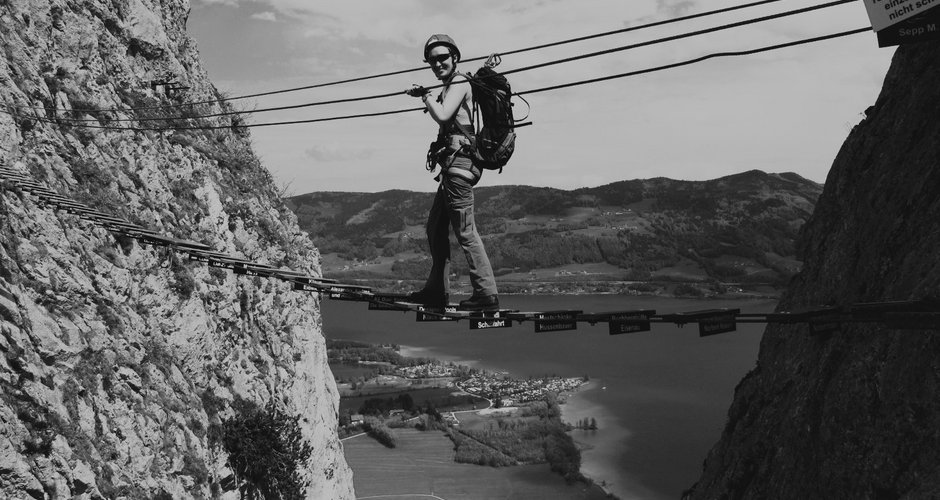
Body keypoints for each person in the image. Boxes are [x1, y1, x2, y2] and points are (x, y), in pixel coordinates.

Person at [405, 34, 499, 311]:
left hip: (460, 167)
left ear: (455, 58)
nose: (437, 64)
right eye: (432, 60)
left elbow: (444, 115)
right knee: (435, 228)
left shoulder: (459, 82)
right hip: (452, 169)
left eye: (442, 58)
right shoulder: (450, 85)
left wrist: (426, 97)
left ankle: (486, 294)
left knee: (465, 231)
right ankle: (436, 290)